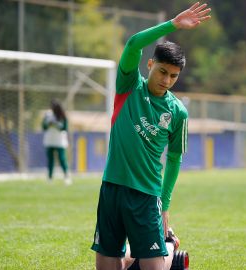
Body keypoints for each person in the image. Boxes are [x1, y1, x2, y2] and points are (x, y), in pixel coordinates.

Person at [91, 2, 211, 270]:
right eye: (162, 72)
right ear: (150, 64)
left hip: (147, 196)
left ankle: (167, 244)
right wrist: (173, 25)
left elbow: (176, 158)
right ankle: (140, 250)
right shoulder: (129, 86)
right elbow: (133, 43)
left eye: (173, 76)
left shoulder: (178, 112)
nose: (166, 80)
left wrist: (165, 205)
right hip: (112, 188)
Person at [42, 100, 72, 185]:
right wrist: (48, 124)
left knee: (62, 159)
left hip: (60, 141)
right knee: (50, 160)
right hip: (50, 140)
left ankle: (67, 177)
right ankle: (50, 178)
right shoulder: (48, 114)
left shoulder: (62, 115)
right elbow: (43, 127)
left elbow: (65, 128)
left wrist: (56, 124)